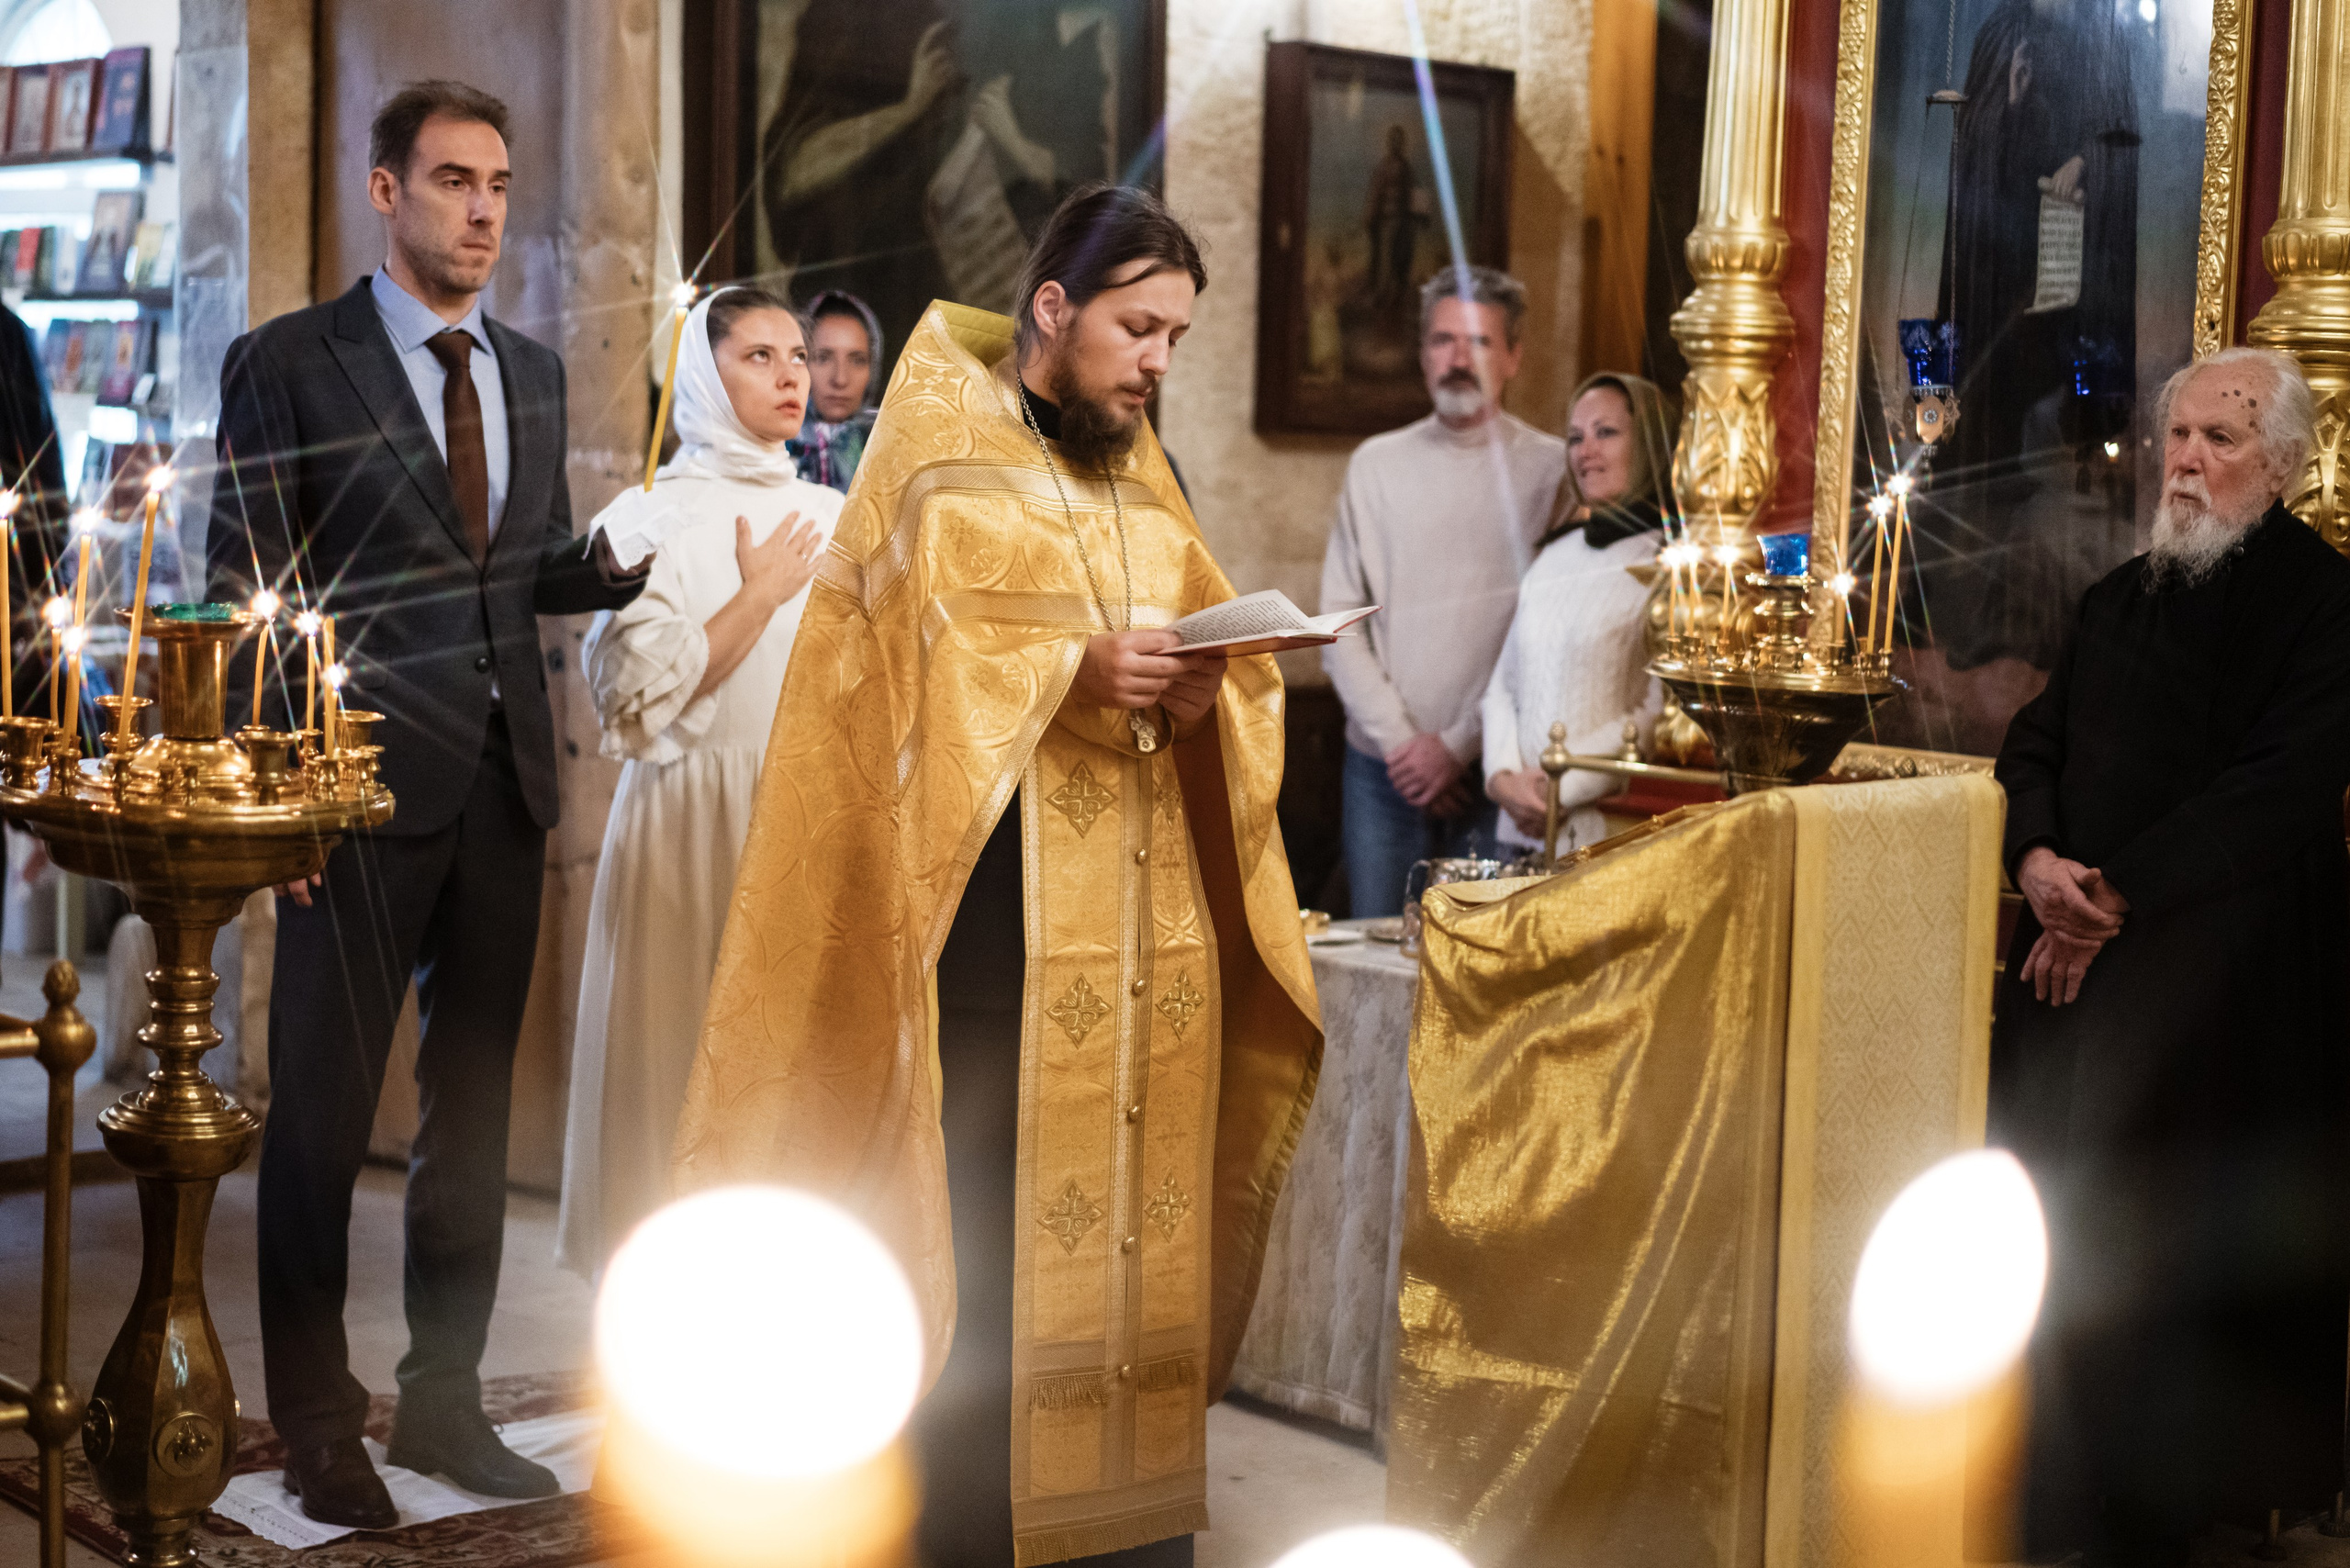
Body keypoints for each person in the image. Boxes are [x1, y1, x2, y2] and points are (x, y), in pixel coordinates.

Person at [671, 184, 1321, 1568]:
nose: (1156, 361)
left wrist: (1206, 692)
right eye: (1136, 328)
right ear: (1051, 310)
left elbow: (1202, 659)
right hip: (983, 961)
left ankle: (1128, 1542)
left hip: (1148, 957)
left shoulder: (1147, 472)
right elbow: (875, 686)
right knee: (980, 1275)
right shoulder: (932, 457)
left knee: (1131, 1270)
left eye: (1176, 338)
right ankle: (963, 1536)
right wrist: (1062, 670)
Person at [206, 80, 648, 1529]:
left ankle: (447, 1404)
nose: (483, 209)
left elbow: (502, 572)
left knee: (470, 1133)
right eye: (454, 180)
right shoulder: (290, 361)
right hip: (348, 803)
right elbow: (247, 587)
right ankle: (321, 1425)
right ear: (383, 190)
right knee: (324, 1125)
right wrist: (285, 795)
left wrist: (606, 567)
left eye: (501, 184)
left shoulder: (527, 369)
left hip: (507, 787)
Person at [1987, 347, 2350, 1567]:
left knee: (2173, 1269)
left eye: (2222, 440)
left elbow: (2281, 790)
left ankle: (2158, 1513)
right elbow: (2031, 747)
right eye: (2178, 436)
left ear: (2287, 464)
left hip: (2225, 1001)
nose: (2187, 461)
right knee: (2062, 1242)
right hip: (2071, 977)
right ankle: (2053, 1492)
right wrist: (2040, 863)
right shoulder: (2118, 601)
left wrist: (2111, 899)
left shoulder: (2327, 603)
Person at [554, 286, 839, 1279]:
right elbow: (636, 702)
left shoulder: (833, 516)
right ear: (704, 379)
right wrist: (760, 594)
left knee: (791, 1097)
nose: (791, 374)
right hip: (688, 822)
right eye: (759, 356)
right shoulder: (645, 519)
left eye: (797, 354)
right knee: (680, 1069)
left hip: (802, 824)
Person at [1318, 264, 1562, 916]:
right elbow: (1338, 624)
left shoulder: (1553, 471)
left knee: (1483, 975)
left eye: (1480, 342)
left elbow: (1545, 638)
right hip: (1380, 769)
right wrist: (1406, 748)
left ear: (1513, 356)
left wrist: (1457, 749)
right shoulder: (1376, 464)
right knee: (1378, 961)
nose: (1458, 359)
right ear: (1422, 353)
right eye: (1442, 340)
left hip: (1497, 772)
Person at [1481, 373, 1674, 857]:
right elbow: (1504, 687)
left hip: (1601, 828)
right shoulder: (1553, 555)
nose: (1586, 450)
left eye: (1605, 432)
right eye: (1574, 437)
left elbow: (1656, 713)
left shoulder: (1672, 562)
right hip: (1516, 825)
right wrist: (1502, 778)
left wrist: (1560, 791)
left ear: (1649, 441)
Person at [789, 288, 880, 492]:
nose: (840, 379)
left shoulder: (892, 449)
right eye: (823, 358)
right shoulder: (770, 448)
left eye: (857, 361)